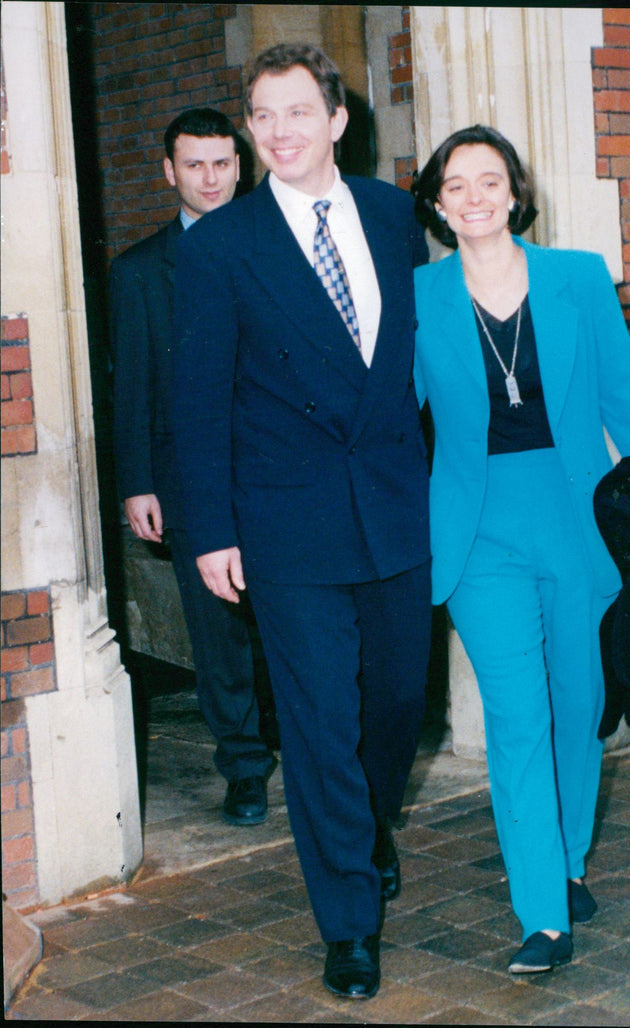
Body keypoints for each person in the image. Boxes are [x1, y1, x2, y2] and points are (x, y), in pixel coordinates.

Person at [170, 45, 431, 1000]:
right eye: (261, 116)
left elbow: (422, 357)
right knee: (319, 720)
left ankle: (365, 828)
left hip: (398, 505)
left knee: (402, 699)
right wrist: (211, 529)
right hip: (286, 521)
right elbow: (197, 399)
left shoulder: (392, 215)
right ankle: (350, 922)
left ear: (336, 120)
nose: (276, 132)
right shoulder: (219, 246)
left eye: (294, 112)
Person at [411, 125, 630, 975]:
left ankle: (566, 859)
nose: (476, 197)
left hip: (578, 518)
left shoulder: (577, 278)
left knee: (579, 702)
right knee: (518, 716)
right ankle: (543, 916)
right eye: (458, 185)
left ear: (516, 194)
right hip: (478, 526)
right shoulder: (418, 298)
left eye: (491, 181)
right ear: (438, 204)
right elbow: (384, 427)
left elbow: (627, 406)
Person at [110, 107, 278, 829]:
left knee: (293, 618)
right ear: (169, 172)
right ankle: (244, 765)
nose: (210, 178)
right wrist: (136, 481)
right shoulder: (140, 272)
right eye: (194, 165)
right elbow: (132, 382)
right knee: (218, 628)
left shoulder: (278, 250)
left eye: (222, 162)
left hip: (278, 470)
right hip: (186, 478)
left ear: (241, 166)